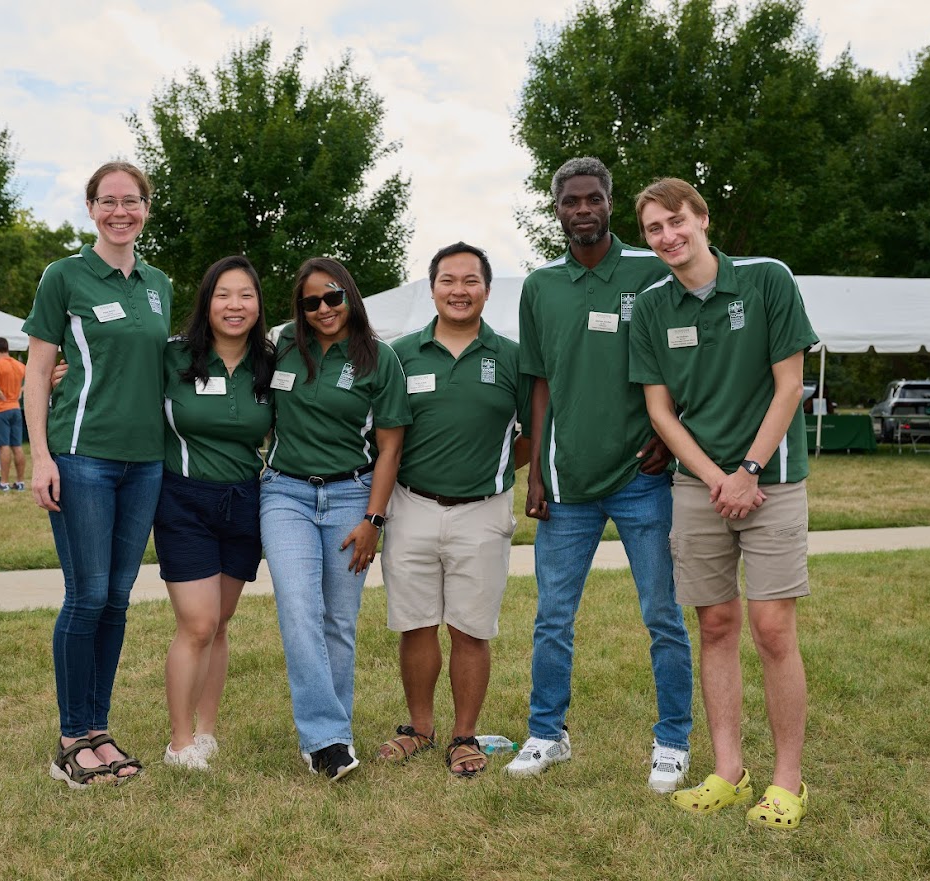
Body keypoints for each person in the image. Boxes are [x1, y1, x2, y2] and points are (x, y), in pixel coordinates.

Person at [630, 177, 817, 829]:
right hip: (701, 486)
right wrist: (716, 476)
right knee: (714, 626)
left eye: (676, 221)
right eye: (654, 228)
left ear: (702, 219)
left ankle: (788, 782)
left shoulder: (768, 279)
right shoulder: (652, 308)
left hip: (773, 479)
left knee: (771, 627)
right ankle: (728, 771)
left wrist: (749, 470)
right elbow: (660, 409)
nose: (668, 236)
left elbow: (790, 385)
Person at [505, 156, 694, 794]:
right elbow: (537, 381)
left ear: (609, 204)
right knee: (552, 617)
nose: (581, 209)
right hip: (565, 482)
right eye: (569, 201)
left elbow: (687, 354)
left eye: (593, 199)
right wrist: (532, 471)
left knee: (662, 614)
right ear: (556, 209)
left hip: (643, 478)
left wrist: (674, 438)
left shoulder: (651, 272)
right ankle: (546, 733)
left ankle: (672, 741)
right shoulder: (540, 287)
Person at [23, 160, 173, 789]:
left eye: (131, 201)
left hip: (146, 463)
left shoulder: (158, 283)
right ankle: (70, 738)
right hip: (82, 457)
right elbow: (36, 373)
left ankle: (98, 730)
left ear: (145, 207)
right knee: (85, 595)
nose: (120, 211)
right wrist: (39, 455)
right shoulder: (64, 276)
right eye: (108, 201)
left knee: (116, 597)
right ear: (90, 208)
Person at [378, 242, 530, 778]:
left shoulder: (512, 356)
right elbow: (382, 435)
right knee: (416, 625)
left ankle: (465, 737)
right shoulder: (399, 353)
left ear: (487, 289)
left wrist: (493, 471)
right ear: (432, 287)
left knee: (470, 629)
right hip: (411, 504)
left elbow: (533, 432)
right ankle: (419, 730)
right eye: (448, 280)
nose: (459, 290)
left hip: (483, 511)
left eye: (470, 281)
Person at [261, 257, 410, 782]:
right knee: (299, 609)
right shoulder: (280, 345)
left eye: (333, 297)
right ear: (299, 310)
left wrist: (375, 518)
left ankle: (333, 736)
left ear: (350, 295)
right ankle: (325, 738)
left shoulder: (379, 359)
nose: (324, 308)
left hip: (352, 496)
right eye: (311, 302)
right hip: (285, 494)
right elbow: (217, 356)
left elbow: (390, 448)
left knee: (339, 623)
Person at [156, 256, 274, 770]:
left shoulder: (272, 362)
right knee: (198, 623)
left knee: (221, 622)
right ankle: (179, 743)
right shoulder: (172, 356)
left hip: (246, 499)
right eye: (223, 294)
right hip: (182, 499)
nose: (234, 305)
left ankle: (206, 732)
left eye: (245, 295)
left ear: (258, 305)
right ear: (206, 302)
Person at [0, 338, 28, 491]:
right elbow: (32, 377)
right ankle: (20, 482)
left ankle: (4, 483)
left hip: (1, 409)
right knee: (17, 446)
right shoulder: (18, 365)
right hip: (16, 409)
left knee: (4, 447)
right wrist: (20, 392)